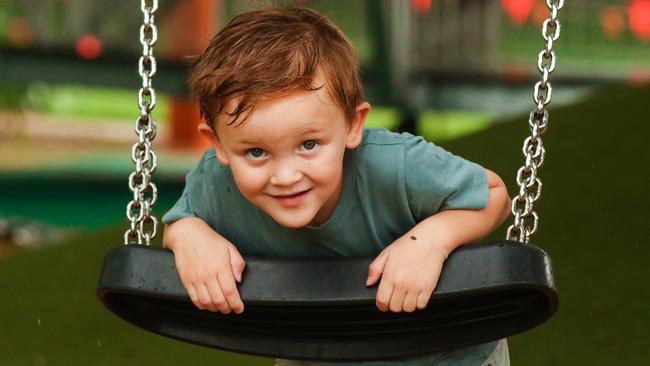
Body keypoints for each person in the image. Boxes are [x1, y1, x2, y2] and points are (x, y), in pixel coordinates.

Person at [162, 6, 511, 366]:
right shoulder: (217, 183)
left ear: (352, 125)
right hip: (319, 352)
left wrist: (433, 241)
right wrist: (191, 237)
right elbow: (180, 221)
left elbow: (495, 197)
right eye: (255, 152)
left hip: (447, 355)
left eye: (309, 145)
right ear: (217, 143)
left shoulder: (397, 166)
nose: (285, 177)